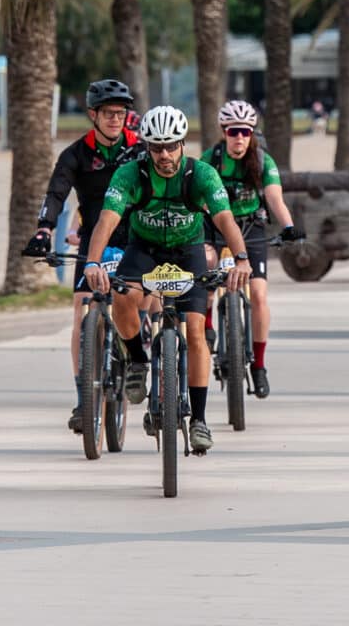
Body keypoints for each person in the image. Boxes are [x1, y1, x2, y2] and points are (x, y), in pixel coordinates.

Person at [82, 106, 252, 454]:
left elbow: (225, 219)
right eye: (156, 148)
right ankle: (138, 361)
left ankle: (200, 420)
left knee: (195, 328)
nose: (163, 155)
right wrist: (92, 262)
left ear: (182, 144)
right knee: (123, 296)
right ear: (146, 147)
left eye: (170, 146)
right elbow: (107, 219)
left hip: (187, 248)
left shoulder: (201, 174)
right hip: (143, 247)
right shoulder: (130, 174)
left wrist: (243, 259)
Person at [25, 79, 144, 434]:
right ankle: (84, 398)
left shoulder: (140, 150)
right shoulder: (76, 154)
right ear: (93, 115)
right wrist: (44, 230)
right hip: (94, 241)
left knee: (144, 301)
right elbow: (56, 193)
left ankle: (142, 346)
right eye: (108, 114)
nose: (115, 120)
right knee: (82, 310)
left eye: (120, 114)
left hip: (135, 240)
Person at [203, 100, 302, 397]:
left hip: (250, 227)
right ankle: (208, 323)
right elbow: (198, 200)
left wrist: (289, 228)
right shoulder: (211, 159)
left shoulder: (262, 160)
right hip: (217, 226)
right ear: (224, 132)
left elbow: (274, 198)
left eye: (246, 132)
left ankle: (258, 365)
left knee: (258, 295)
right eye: (234, 132)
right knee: (207, 269)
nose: (240, 138)